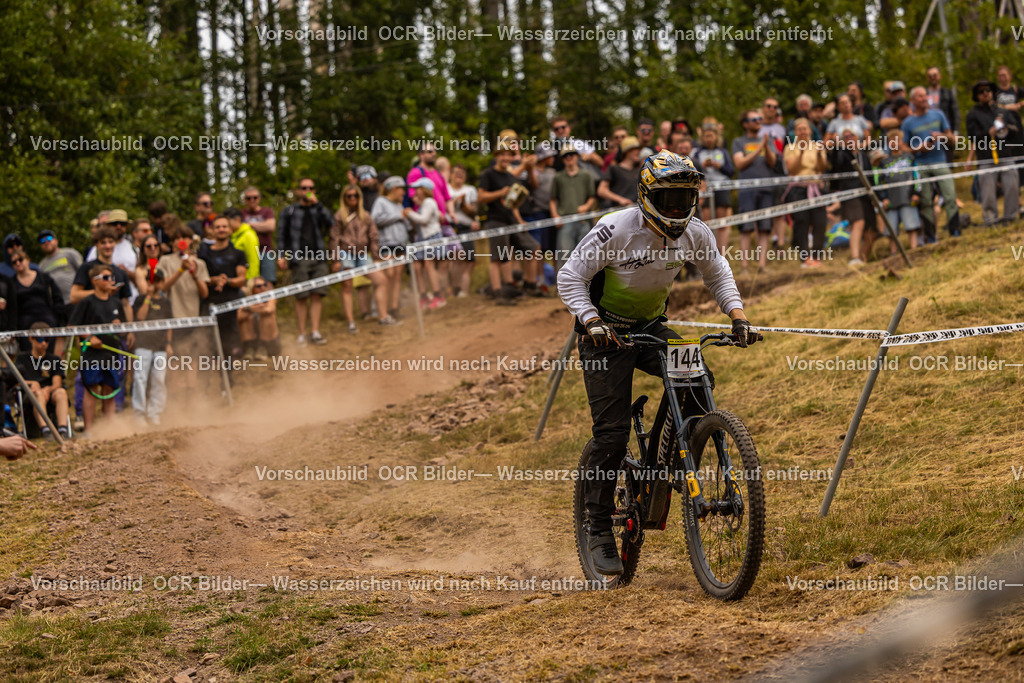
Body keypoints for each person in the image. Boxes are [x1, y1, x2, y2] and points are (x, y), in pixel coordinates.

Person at [556, 150, 757, 575]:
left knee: (698, 379)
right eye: (667, 200)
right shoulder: (615, 229)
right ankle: (597, 526)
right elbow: (570, 276)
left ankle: (677, 457)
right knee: (610, 435)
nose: (677, 209)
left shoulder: (696, 233)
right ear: (647, 197)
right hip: (604, 335)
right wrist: (590, 320)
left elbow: (717, 271)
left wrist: (738, 316)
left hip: (650, 326)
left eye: (685, 200)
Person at [479, 137, 544, 304]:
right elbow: (481, 197)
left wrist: (520, 220)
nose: (506, 158)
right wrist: (499, 193)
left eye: (509, 155)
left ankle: (530, 284)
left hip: (511, 221)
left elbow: (513, 202)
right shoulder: (488, 175)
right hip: (495, 220)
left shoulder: (510, 176)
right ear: (496, 156)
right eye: (502, 155)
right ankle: (499, 293)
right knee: (498, 257)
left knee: (533, 248)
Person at [68, 264, 130, 435]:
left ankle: (108, 429)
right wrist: (89, 337)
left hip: (111, 352)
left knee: (109, 388)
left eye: (111, 277)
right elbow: (73, 326)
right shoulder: (87, 302)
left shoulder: (116, 302)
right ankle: (88, 430)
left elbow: (123, 329)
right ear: (94, 281)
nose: (109, 280)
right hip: (92, 353)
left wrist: (120, 327)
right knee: (92, 388)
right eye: (105, 277)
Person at [276, 178, 333, 345]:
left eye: (311, 188)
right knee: (301, 296)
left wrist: (318, 204)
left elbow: (332, 224)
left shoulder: (319, 209)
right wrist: (281, 255)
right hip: (298, 258)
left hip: (319, 257)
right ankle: (302, 333)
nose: (307, 191)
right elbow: (281, 235)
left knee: (317, 295)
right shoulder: (289, 211)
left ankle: (315, 332)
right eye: (304, 188)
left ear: (315, 190)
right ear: (298, 191)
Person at [331, 184, 396, 330]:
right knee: (347, 285)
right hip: (345, 252)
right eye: (349, 196)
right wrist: (335, 260)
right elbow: (334, 239)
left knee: (381, 280)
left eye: (356, 195)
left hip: (362, 253)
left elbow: (373, 236)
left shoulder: (365, 215)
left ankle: (383, 316)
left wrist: (376, 256)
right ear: (344, 198)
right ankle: (351, 323)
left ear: (360, 198)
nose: (353, 198)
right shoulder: (339, 216)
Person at [903, 86, 958, 241]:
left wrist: (942, 137)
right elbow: (904, 148)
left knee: (950, 196)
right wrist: (919, 148)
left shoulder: (938, 114)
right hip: (921, 165)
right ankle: (930, 235)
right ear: (912, 100)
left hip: (940, 161)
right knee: (925, 201)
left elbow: (952, 138)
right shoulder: (908, 123)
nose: (924, 98)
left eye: (925, 95)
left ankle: (955, 231)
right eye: (919, 96)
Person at [157, 227, 209, 391]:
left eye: (185, 237)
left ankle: (190, 397)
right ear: (173, 242)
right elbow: (163, 287)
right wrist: (181, 270)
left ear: (190, 241)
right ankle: (175, 397)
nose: (182, 241)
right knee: (175, 361)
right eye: (177, 238)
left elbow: (205, 293)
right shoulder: (165, 261)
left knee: (192, 359)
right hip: (173, 318)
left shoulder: (200, 263)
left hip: (193, 317)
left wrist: (194, 274)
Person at [965, 80, 1021, 227]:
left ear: (993, 92)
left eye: (988, 90)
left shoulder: (1002, 111)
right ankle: (990, 220)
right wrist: (987, 133)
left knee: (1012, 186)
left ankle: (1010, 217)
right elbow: (972, 137)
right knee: (988, 191)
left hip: (1005, 154)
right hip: (986, 156)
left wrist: (1006, 128)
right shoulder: (973, 114)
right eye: (981, 91)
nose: (985, 93)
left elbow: (1016, 130)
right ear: (977, 96)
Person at [732, 109, 777, 273]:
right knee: (746, 228)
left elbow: (772, 162)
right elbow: (740, 163)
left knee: (765, 228)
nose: (758, 121)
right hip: (747, 190)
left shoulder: (767, 140)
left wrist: (766, 146)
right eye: (754, 119)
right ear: (745, 124)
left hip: (766, 188)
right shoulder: (738, 141)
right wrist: (760, 148)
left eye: (760, 119)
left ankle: (762, 266)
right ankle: (744, 267)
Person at [200, 216, 248, 357]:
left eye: (224, 226)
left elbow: (241, 279)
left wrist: (227, 281)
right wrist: (213, 280)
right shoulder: (204, 254)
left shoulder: (238, 254)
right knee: (207, 344)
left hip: (230, 304)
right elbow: (201, 278)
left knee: (229, 347)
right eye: (218, 227)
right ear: (212, 231)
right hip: (209, 302)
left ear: (230, 229)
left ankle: (228, 378)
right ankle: (205, 379)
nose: (221, 230)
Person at [783, 120, 828, 267]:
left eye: (805, 129)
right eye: (799, 129)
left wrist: (820, 155)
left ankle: (816, 255)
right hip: (797, 189)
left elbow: (822, 168)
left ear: (810, 131)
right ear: (795, 132)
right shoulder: (790, 147)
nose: (803, 132)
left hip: (815, 188)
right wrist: (801, 153)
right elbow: (791, 170)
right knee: (801, 221)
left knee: (820, 221)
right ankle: (804, 257)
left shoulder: (817, 146)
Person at [131, 269, 172, 425]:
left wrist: (168, 343)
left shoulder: (166, 302)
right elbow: (140, 317)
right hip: (143, 345)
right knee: (140, 379)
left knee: (159, 380)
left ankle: (155, 413)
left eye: (158, 281)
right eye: (152, 281)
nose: (155, 284)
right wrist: (148, 297)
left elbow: (170, 325)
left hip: (160, 346)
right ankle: (139, 414)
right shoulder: (140, 299)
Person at [16, 323, 70, 440]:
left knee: (61, 392)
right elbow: (16, 381)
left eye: (47, 339)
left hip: (49, 392)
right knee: (38, 394)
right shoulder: (22, 358)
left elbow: (57, 382)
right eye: (40, 339)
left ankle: (62, 430)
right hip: (30, 395)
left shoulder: (54, 359)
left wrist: (48, 389)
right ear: (31, 339)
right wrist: (31, 384)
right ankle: (46, 431)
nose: (44, 343)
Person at [831, 129, 876, 264]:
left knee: (871, 230)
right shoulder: (842, 154)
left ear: (858, 138)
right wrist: (836, 146)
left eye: (852, 135)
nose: (849, 138)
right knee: (858, 222)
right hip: (850, 194)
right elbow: (835, 164)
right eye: (846, 137)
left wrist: (875, 196)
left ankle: (862, 259)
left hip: (866, 194)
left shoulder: (863, 155)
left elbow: (870, 175)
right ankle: (855, 257)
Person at [872, 132, 923, 250]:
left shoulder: (909, 158)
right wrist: (882, 198)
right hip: (890, 199)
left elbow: (917, 175)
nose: (894, 143)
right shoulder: (884, 162)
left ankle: (914, 249)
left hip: (907, 196)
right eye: (891, 141)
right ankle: (893, 253)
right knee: (891, 229)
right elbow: (879, 181)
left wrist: (916, 193)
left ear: (901, 142)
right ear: (888, 143)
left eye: (897, 140)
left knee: (911, 225)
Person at [371, 176, 412, 319]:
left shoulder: (399, 204)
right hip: (386, 244)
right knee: (388, 275)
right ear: (393, 188)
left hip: (401, 244)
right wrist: (398, 216)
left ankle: (394, 308)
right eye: (402, 189)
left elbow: (404, 223)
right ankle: (383, 310)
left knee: (397, 277)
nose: (404, 193)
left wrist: (408, 217)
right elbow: (375, 219)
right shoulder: (381, 201)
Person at [551, 147, 597, 270]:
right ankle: (563, 288)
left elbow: (592, 196)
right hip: (565, 221)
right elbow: (553, 199)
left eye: (571, 154)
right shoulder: (558, 177)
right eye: (566, 155)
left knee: (585, 256)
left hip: (583, 221)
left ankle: (585, 286)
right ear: (562, 159)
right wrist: (555, 216)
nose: (569, 157)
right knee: (565, 256)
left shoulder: (586, 175)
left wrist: (586, 206)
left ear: (577, 156)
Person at [692, 120, 734, 253]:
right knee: (706, 221)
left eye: (711, 135)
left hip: (721, 187)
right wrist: (702, 166)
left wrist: (719, 166)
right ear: (702, 137)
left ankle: (722, 255)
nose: (709, 138)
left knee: (722, 221)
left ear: (716, 136)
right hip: (705, 188)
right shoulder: (697, 153)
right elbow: (693, 171)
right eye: (706, 136)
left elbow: (731, 171)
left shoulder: (723, 151)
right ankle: (707, 254)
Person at [405, 178, 447, 310]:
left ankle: (438, 296)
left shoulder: (429, 202)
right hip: (423, 238)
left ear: (424, 190)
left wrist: (409, 212)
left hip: (430, 237)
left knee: (429, 266)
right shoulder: (425, 203)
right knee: (419, 266)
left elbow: (423, 220)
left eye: (418, 189)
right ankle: (424, 296)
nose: (415, 192)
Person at [447, 164, 480, 298]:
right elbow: (443, 208)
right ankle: (454, 289)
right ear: (451, 175)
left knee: (470, 260)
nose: (459, 175)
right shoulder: (446, 189)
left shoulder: (470, 190)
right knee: (454, 259)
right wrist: (454, 202)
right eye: (457, 173)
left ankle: (464, 291)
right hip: (451, 227)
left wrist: (464, 204)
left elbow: (474, 211)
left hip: (467, 228)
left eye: (462, 173)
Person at [238, 278, 281, 361]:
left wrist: (248, 308)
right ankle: (249, 348)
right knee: (247, 317)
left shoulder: (270, 296)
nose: (263, 288)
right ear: (252, 288)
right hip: (252, 341)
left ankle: (263, 348)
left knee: (266, 317)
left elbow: (269, 310)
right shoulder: (246, 299)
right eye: (258, 286)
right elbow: (239, 316)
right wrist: (258, 307)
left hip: (271, 342)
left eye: (264, 285)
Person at [240, 187, 277, 283]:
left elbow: (270, 227)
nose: (252, 200)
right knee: (250, 283)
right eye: (248, 198)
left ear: (259, 198)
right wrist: (262, 226)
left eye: (255, 197)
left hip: (266, 251)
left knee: (268, 282)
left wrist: (249, 225)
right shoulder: (241, 214)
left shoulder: (267, 211)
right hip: (247, 254)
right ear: (244, 200)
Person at [38, 230, 83, 305]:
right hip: (57, 305)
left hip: (76, 301)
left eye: (49, 238)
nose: (46, 242)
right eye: (42, 241)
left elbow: (83, 273)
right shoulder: (41, 266)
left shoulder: (70, 253)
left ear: (56, 241)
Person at [597, 136, 642, 210]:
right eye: (635, 149)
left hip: (636, 211)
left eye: (639, 149)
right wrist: (620, 199)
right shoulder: (614, 169)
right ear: (627, 151)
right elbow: (601, 190)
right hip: (619, 212)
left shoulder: (640, 170)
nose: (639, 152)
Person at [926, 66, 960, 164]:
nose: (933, 77)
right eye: (930, 76)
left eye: (935, 75)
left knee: (947, 162)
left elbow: (955, 113)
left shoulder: (947, 93)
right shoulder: (924, 94)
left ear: (939, 76)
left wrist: (956, 132)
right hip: (928, 133)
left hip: (945, 132)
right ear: (927, 78)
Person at [223, 207, 260, 279]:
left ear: (237, 219)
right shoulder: (231, 236)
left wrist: (250, 281)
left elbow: (253, 261)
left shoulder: (248, 235)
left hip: (246, 280)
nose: (226, 224)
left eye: (228, 221)